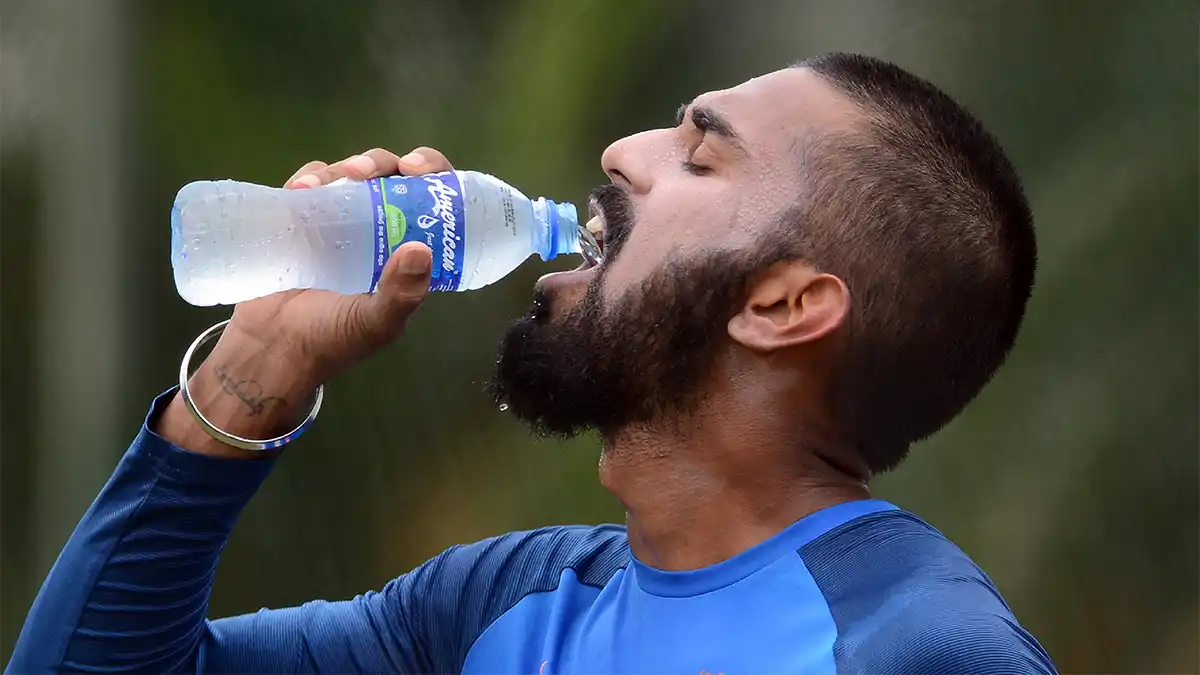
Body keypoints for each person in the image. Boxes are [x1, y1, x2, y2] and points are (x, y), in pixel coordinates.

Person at [7, 53, 1057, 674]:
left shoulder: (918, 650)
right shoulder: (503, 604)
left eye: (697, 155)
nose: (622, 153)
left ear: (781, 306)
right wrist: (255, 368)